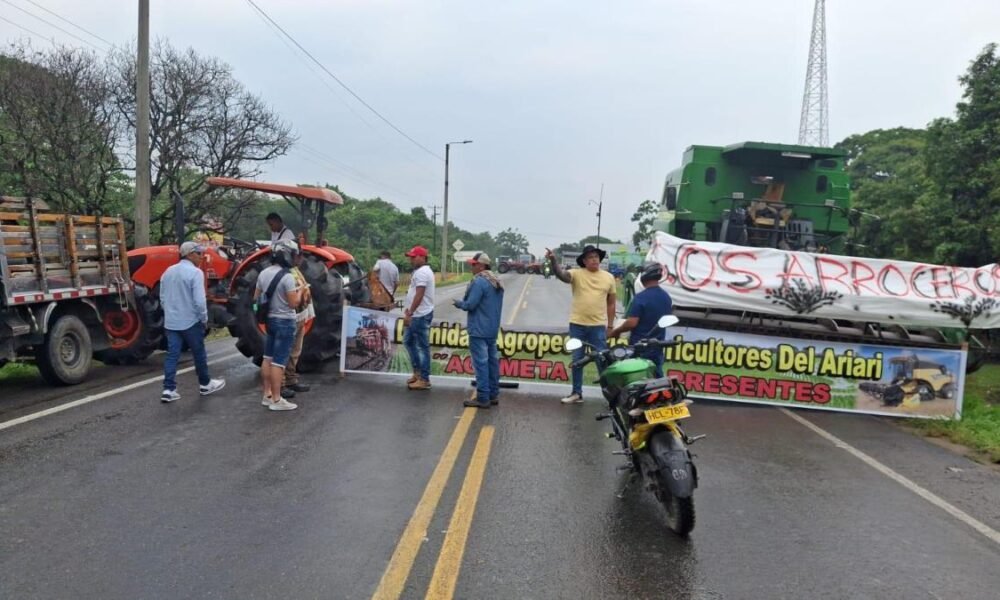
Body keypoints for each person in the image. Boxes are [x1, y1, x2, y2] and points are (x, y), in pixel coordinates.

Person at [546, 244, 616, 404]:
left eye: (596, 257)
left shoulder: (609, 277)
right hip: (577, 325)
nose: (594, 260)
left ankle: (611, 396)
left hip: (598, 326)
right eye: (591, 257)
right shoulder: (576, 274)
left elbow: (611, 304)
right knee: (577, 360)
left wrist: (610, 326)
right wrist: (553, 261)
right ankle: (576, 393)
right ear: (584, 261)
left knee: (602, 361)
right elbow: (562, 275)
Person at [160, 241, 225, 402]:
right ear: (189, 254)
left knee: (172, 354)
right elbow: (199, 301)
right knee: (199, 353)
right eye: (198, 253)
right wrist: (204, 318)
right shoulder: (195, 273)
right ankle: (205, 384)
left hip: (172, 321)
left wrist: (169, 312)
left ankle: (169, 389)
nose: (201, 256)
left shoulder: (168, 271)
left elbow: (162, 297)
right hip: (190, 320)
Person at [255, 240, 304, 411]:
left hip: (270, 321)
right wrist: (300, 291)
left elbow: (257, 298)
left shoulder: (263, 274)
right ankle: (277, 400)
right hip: (285, 321)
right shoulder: (288, 276)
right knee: (279, 362)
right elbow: (293, 304)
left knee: (268, 358)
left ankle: (267, 395)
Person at [453, 252, 504, 409]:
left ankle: (482, 397)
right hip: (491, 328)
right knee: (492, 362)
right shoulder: (495, 281)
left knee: (481, 363)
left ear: (482, 265)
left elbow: (470, 304)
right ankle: (493, 394)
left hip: (478, 329)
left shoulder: (480, 281)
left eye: (474, 264)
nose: (471, 266)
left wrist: (459, 303)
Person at [608, 264, 673, 377]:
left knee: (637, 377)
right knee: (657, 376)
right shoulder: (666, 297)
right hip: (657, 345)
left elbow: (632, 322)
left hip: (639, 346)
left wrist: (617, 331)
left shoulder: (641, 297)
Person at [281, 249, 313, 399]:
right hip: (290, 317)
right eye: (298, 256)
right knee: (284, 351)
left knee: (295, 351)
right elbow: (293, 297)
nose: (301, 259)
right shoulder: (285, 274)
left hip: (301, 315)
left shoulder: (295, 271)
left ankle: (291, 379)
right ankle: (280, 384)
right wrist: (301, 291)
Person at [402, 245, 435, 390]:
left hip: (419, 315)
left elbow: (419, 294)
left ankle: (424, 378)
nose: (411, 259)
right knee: (408, 341)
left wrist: (410, 313)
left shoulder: (422, 272)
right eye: (410, 257)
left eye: (413, 257)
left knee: (422, 347)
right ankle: (418, 372)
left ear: (422, 257)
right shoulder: (421, 271)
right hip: (418, 313)